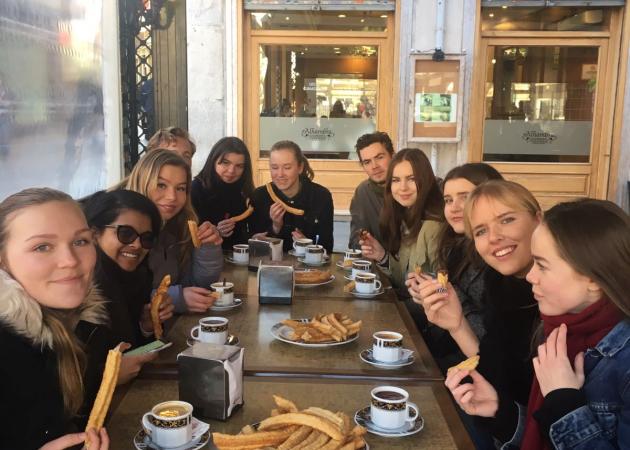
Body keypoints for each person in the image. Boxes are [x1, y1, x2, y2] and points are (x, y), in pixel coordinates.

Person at [446, 199, 630, 449]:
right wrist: (501, 412)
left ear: (593, 278)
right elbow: (548, 436)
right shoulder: (559, 331)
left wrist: (564, 402)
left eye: (542, 265)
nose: (531, 276)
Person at [417, 180, 541, 445]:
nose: (494, 237)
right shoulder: (500, 283)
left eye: (506, 220)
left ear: (538, 220)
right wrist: (456, 324)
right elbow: (494, 370)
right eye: (481, 231)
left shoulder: (560, 296)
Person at [0, 188, 110, 450]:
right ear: (3, 261)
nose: (70, 260)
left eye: (81, 241)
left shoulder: (81, 324)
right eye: (42, 247)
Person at [406, 163, 503, 368]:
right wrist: (429, 290)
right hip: (448, 345)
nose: (454, 207)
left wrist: (448, 296)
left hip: (478, 363)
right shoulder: (454, 243)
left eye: (465, 197)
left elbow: (492, 339)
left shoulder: (500, 258)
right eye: (448, 200)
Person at [83, 190, 175, 384]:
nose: (137, 245)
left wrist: (146, 326)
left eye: (146, 238)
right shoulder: (81, 288)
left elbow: (133, 350)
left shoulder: (138, 276)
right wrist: (107, 376)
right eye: (126, 233)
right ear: (94, 234)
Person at [125, 150, 223, 313]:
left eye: (180, 188)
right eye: (161, 185)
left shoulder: (175, 228)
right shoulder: (122, 234)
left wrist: (208, 246)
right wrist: (177, 298)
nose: (172, 197)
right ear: (142, 182)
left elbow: (199, 286)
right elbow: (118, 296)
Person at [360, 148, 443, 290]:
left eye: (411, 179)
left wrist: (430, 293)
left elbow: (444, 288)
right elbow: (404, 280)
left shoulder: (434, 226)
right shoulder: (405, 217)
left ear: (426, 181)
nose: (403, 187)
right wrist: (381, 256)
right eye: (396, 180)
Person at [251, 140, 334, 253]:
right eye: (274, 167)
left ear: (300, 168)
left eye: (287, 167)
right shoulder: (260, 196)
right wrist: (275, 227)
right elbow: (256, 249)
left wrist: (308, 245)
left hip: (309, 263)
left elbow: (327, 247)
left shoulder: (321, 196)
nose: (280, 174)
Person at [192, 137, 255, 250]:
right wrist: (215, 232)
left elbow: (241, 235)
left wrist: (253, 238)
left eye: (239, 166)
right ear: (213, 161)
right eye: (226, 163)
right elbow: (190, 236)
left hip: (236, 256)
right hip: (206, 256)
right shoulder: (196, 189)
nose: (231, 171)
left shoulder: (244, 192)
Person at [348, 131, 394, 249]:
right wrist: (364, 243)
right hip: (377, 259)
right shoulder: (363, 192)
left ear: (393, 156)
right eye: (367, 162)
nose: (374, 166)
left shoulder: (413, 186)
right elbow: (356, 238)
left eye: (379, 157)